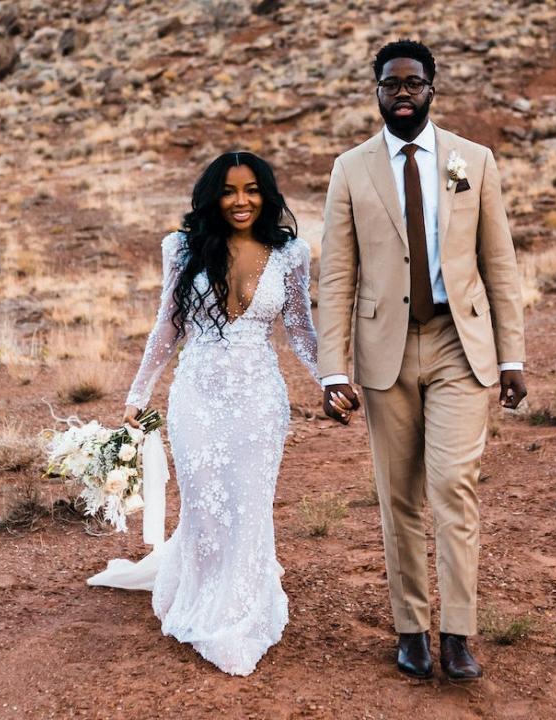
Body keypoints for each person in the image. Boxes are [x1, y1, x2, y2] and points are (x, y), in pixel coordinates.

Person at [316, 40, 527, 681]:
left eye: (412, 83)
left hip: (458, 345)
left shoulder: (475, 161)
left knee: (452, 488)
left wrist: (512, 356)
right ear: (376, 92)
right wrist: (333, 369)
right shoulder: (350, 169)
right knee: (398, 497)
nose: (401, 93)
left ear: (432, 89)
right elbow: (336, 276)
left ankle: (458, 633)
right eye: (390, 84)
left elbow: (500, 265)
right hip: (385, 354)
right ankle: (411, 629)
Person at [88, 151, 340, 677]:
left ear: (266, 194)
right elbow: (168, 326)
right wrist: (138, 393)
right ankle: (203, 594)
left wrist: (331, 381)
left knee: (249, 503)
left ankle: (242, 609)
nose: (241, 200)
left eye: (251, 190)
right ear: (213, 197)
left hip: (258, 399)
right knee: (204, 502)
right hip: (196, 396)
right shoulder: (182, 248)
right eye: (228, 191)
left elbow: (300, 330)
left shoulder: (291, 254)